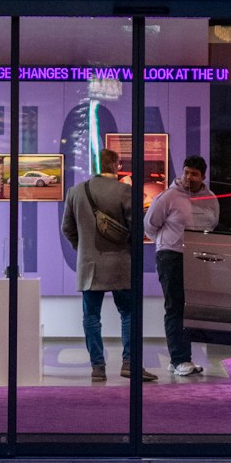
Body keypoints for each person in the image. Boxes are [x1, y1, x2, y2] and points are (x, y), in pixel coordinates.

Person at [61, 147, 155, 382]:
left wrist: (82, 248)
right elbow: (137, 228)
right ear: (116, 165)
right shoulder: (125, 191)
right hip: (120, 262)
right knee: (129, 313)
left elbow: (67, 228)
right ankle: (129, 363)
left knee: (91, 316)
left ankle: (98, 367)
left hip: (89, 264)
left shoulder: (76, 191)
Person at [145, 155, 218, 377]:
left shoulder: (210, 199)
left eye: (194, 174)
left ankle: (180, 357)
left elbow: (213, 224)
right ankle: (180, 359)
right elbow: (150, 225)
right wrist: (165, 244)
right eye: (186, 172)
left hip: (197, 257)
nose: (188, 177)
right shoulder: (168, 197)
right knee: (175, 306)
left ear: (202, 176)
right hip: (172, 256)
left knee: (191, 307)